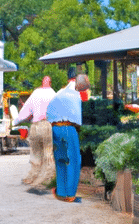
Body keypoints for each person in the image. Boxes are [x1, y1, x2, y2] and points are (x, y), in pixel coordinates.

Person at [46, 73, 90, 202]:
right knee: (74, 160)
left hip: (54, 128)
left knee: (60, 160)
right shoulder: (75, 94)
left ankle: (61, 192)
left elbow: (49, 111)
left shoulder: (60, 92)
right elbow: (78, 117)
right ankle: (70, 194)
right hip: (68, 128)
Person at [12, 76, 56, 185]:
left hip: (36, 126)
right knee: (48, 153)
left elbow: (26, 110)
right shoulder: (54, 95)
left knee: (35, 154)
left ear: (42, 82)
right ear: (50, 83)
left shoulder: (36, 93)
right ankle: (47, 178)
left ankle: (32, 177)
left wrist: (15, 122)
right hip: (48, 126)